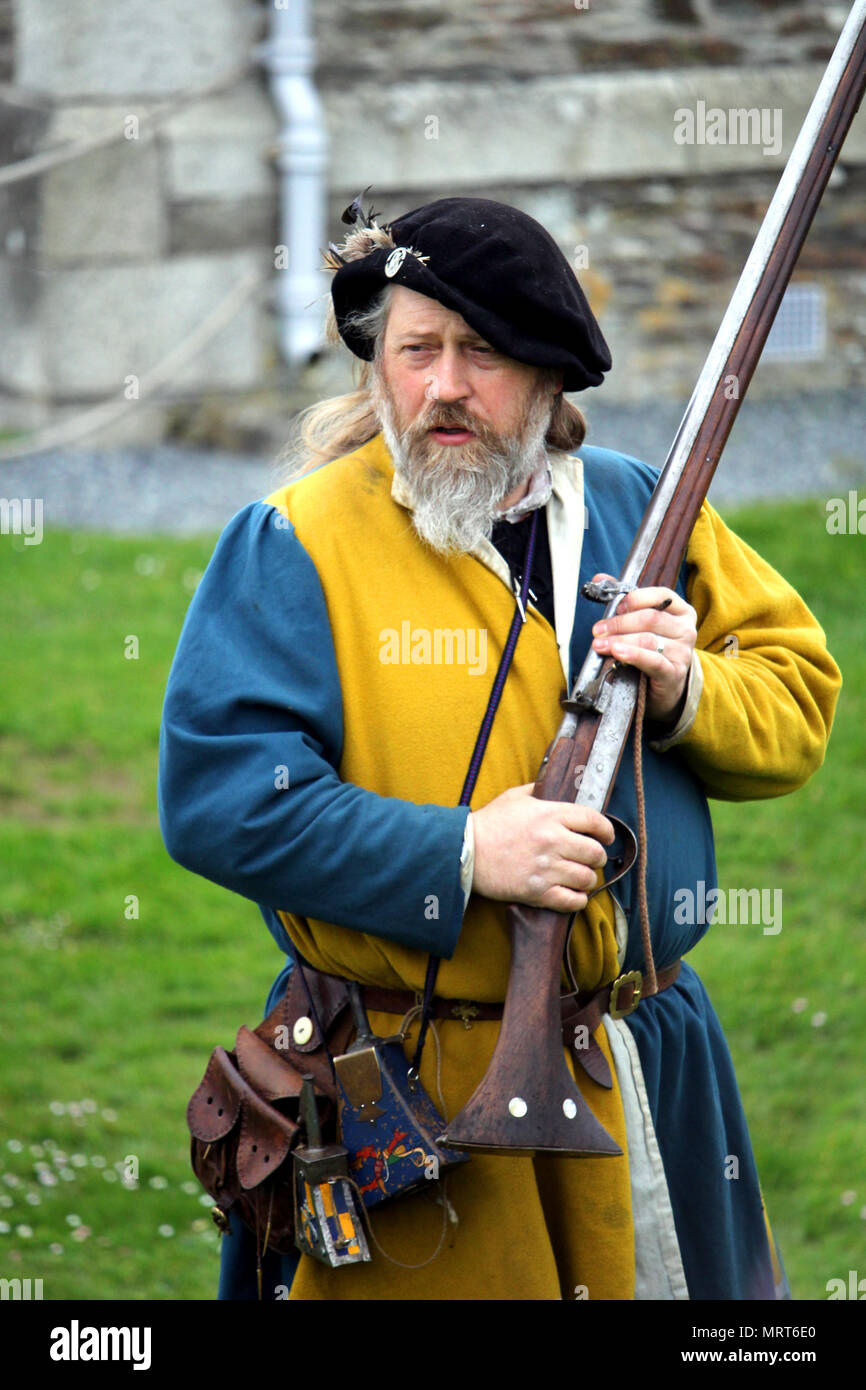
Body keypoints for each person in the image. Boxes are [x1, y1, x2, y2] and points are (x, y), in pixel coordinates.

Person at [158, 196, 841, 1301]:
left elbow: (796, 700)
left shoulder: (643, 507)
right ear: (375, 367)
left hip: (644, 1057)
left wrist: (686, 686)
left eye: (480, 353)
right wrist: (465, 855)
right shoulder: (295, 539)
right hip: (409, 1072)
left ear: (546, 374)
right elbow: (224, 798)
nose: (441, 385)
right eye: (414, 350)